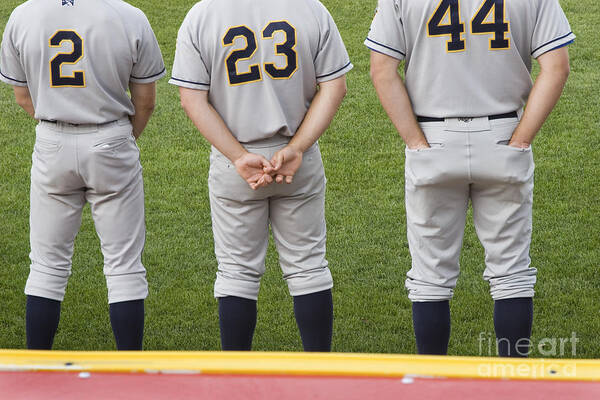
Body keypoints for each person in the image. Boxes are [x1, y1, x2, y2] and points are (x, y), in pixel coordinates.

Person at [366, 0, 573, 357]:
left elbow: (382, 69)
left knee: (430, 278)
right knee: (511, 274)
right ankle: (515, 384)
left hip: (432, 139)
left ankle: (433, 385)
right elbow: (556, 67)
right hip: (504, 135)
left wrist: (415, 143)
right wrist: (521, 138)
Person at [170, 0, 352, 351]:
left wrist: (238, 156)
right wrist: (297, 147)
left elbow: (191, 100)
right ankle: (321, 370)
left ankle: (235, 379)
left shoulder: (203, 14)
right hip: (296, 161)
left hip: (235, 165)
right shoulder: (310, 8)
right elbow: (335, 87)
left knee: (236, 274)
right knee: (309, 268)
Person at [0, 0, 166, 350]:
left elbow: (21, 95)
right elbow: (146, 100)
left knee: (46, 267)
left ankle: (37, 369)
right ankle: (129, 370)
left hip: (51, 142)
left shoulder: (24, 14)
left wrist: (59, 130)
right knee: (124, 267)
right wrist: (116, 141)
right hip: (112, 139)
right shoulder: (128, 15)